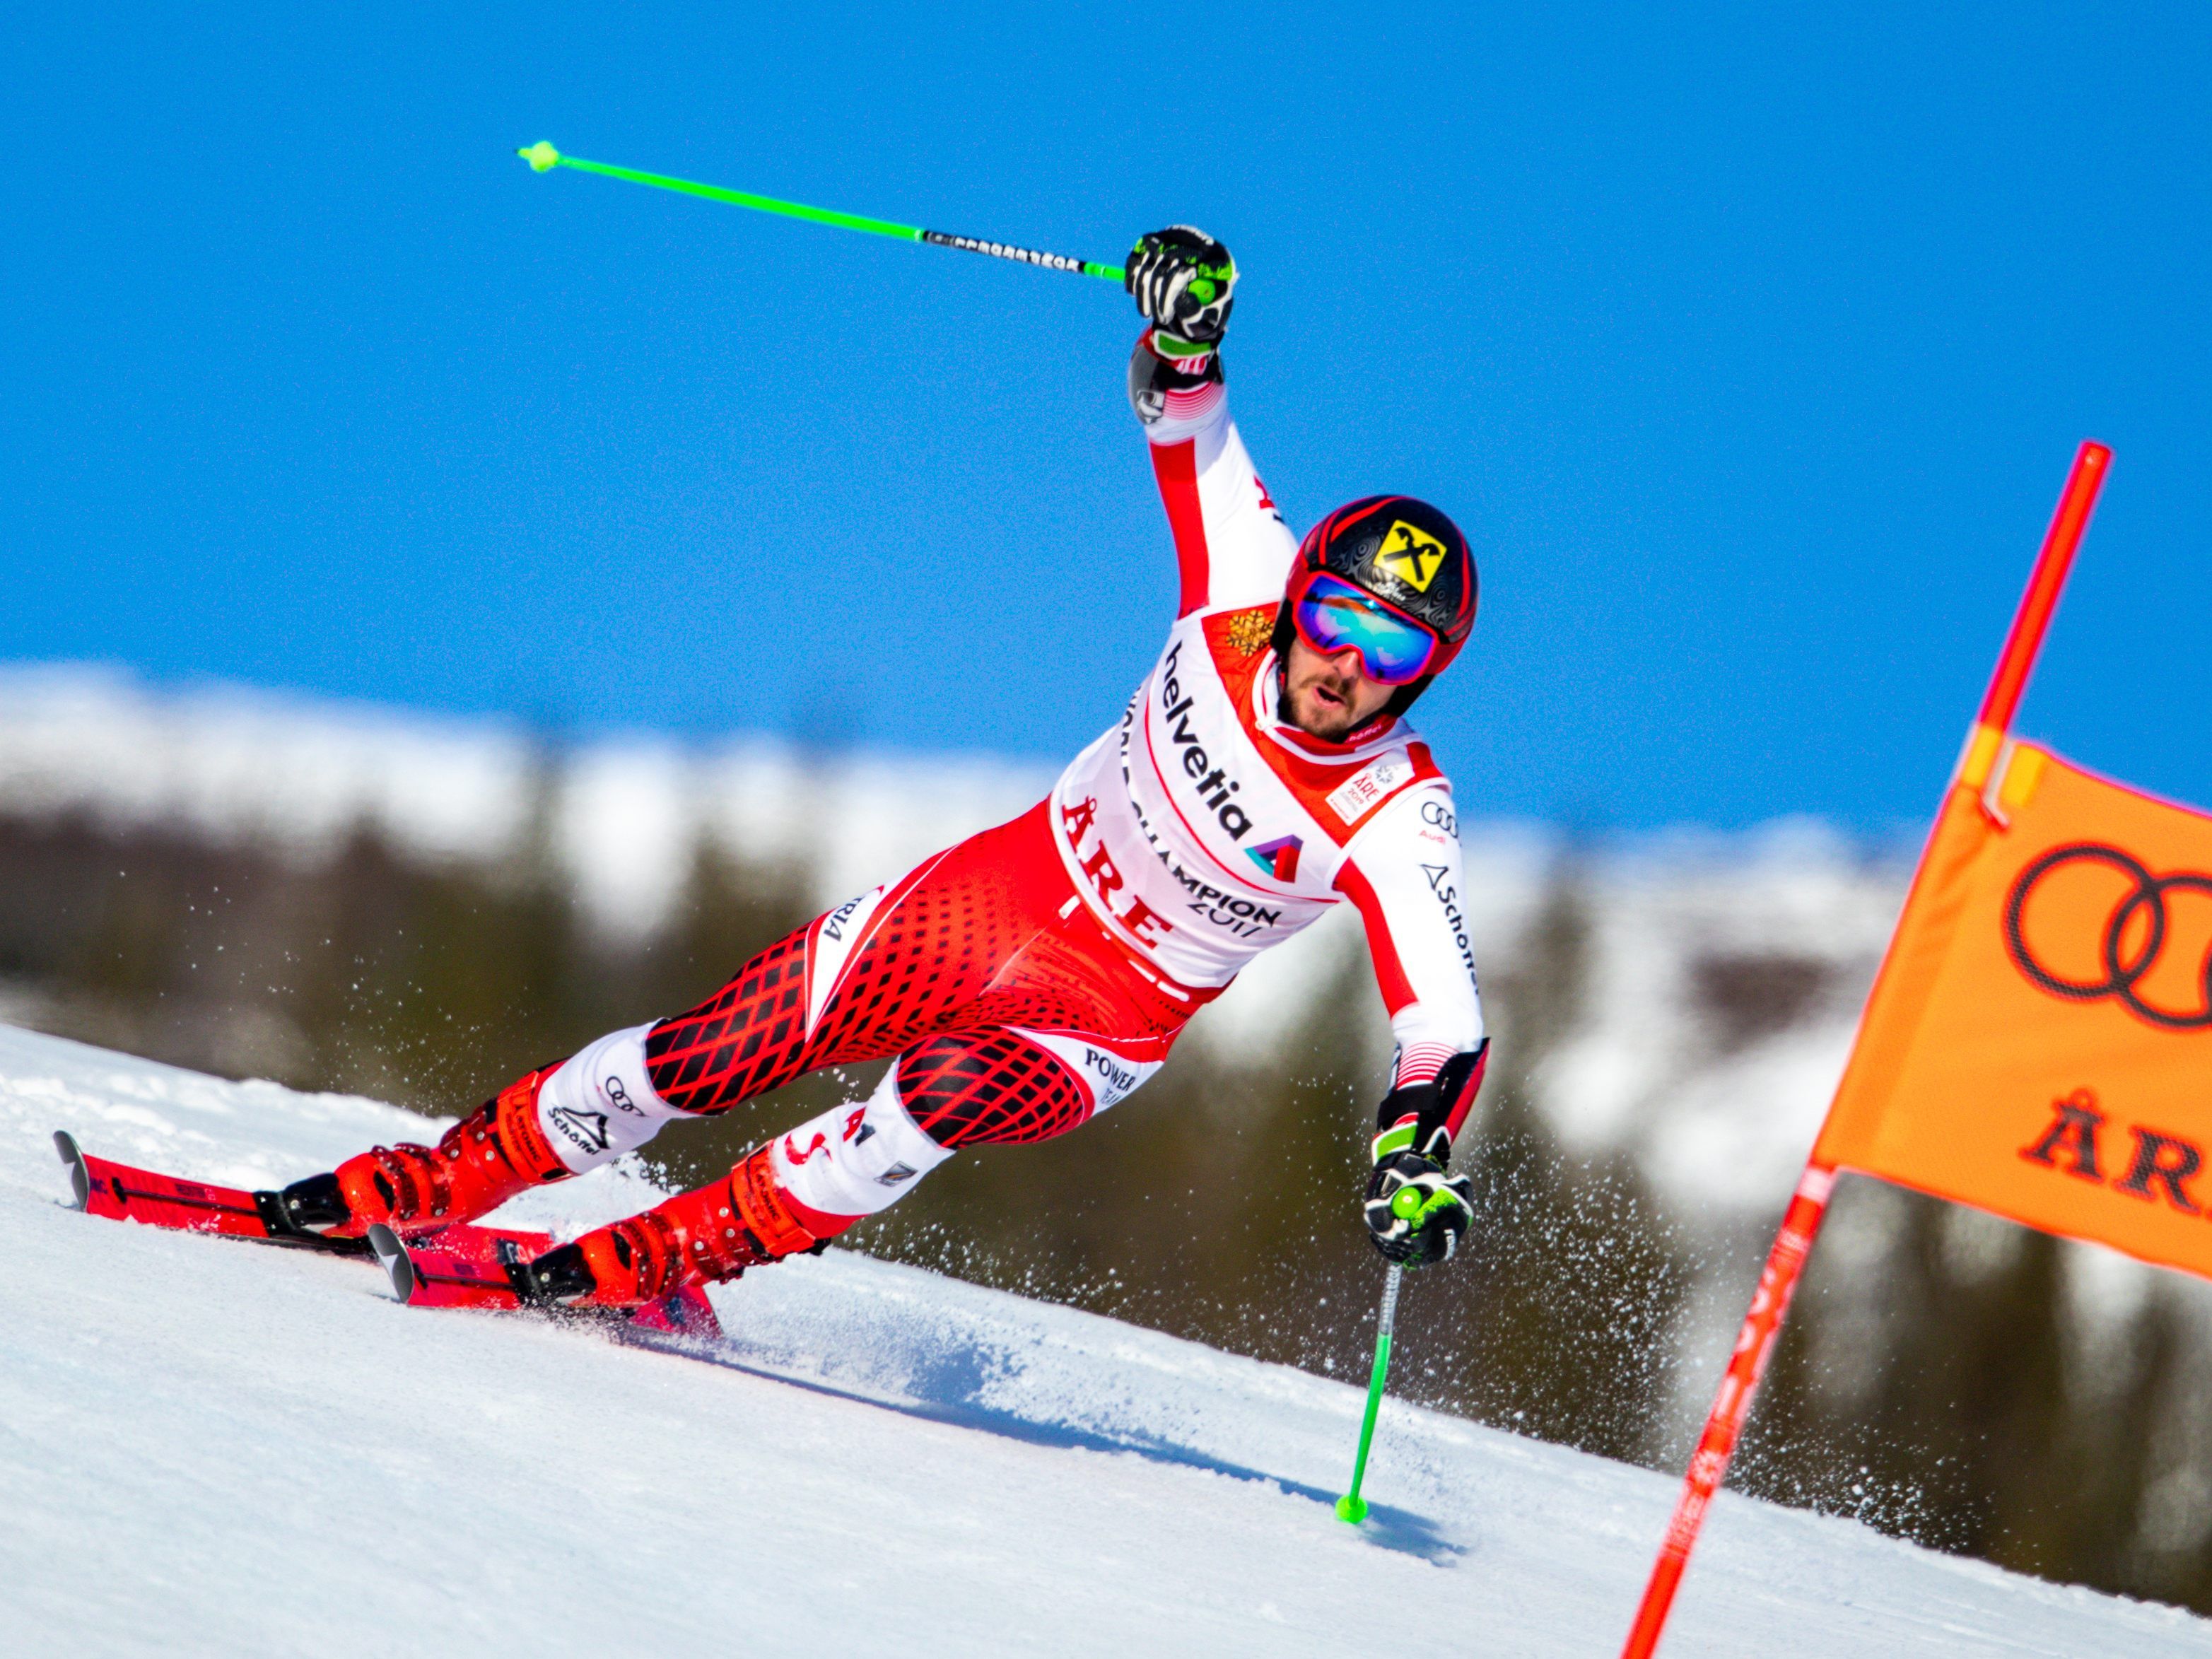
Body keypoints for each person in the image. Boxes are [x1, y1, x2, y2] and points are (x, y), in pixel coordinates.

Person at [275, 228, 1493, 1308]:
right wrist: (1186, 316)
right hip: (987, 898)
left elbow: (1442, 1018)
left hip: (1100, 1018)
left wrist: (1413, 1153)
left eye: (1393, 647)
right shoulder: (1240, 579)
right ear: (1298, 599)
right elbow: (1185, 411)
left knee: (937, 1092)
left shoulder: (1396, 809)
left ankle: (683, 1249)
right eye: (1339, 616)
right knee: (711, 1051)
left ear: (1422, 676)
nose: (1349, 664)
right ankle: (441, 1177)